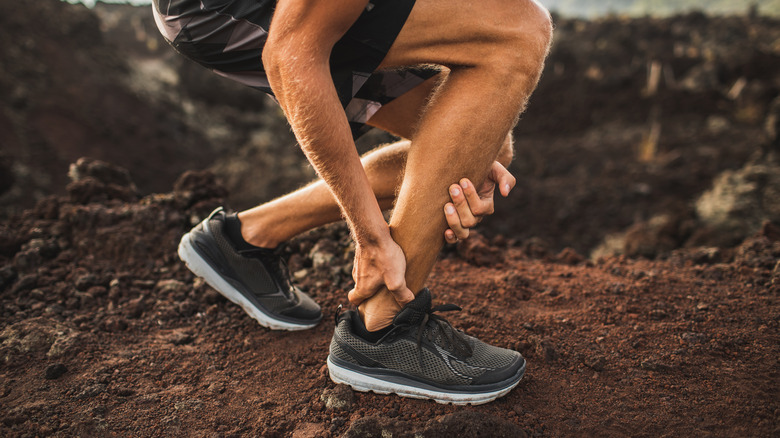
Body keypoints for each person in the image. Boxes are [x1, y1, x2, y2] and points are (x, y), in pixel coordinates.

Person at [153, 0, 552, 404]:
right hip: (223, 10)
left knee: (482, 144)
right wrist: (370, 234)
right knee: (516, 31)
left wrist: (463, 155)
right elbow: (290, 54)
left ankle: (246, 237)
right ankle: (382, 328)